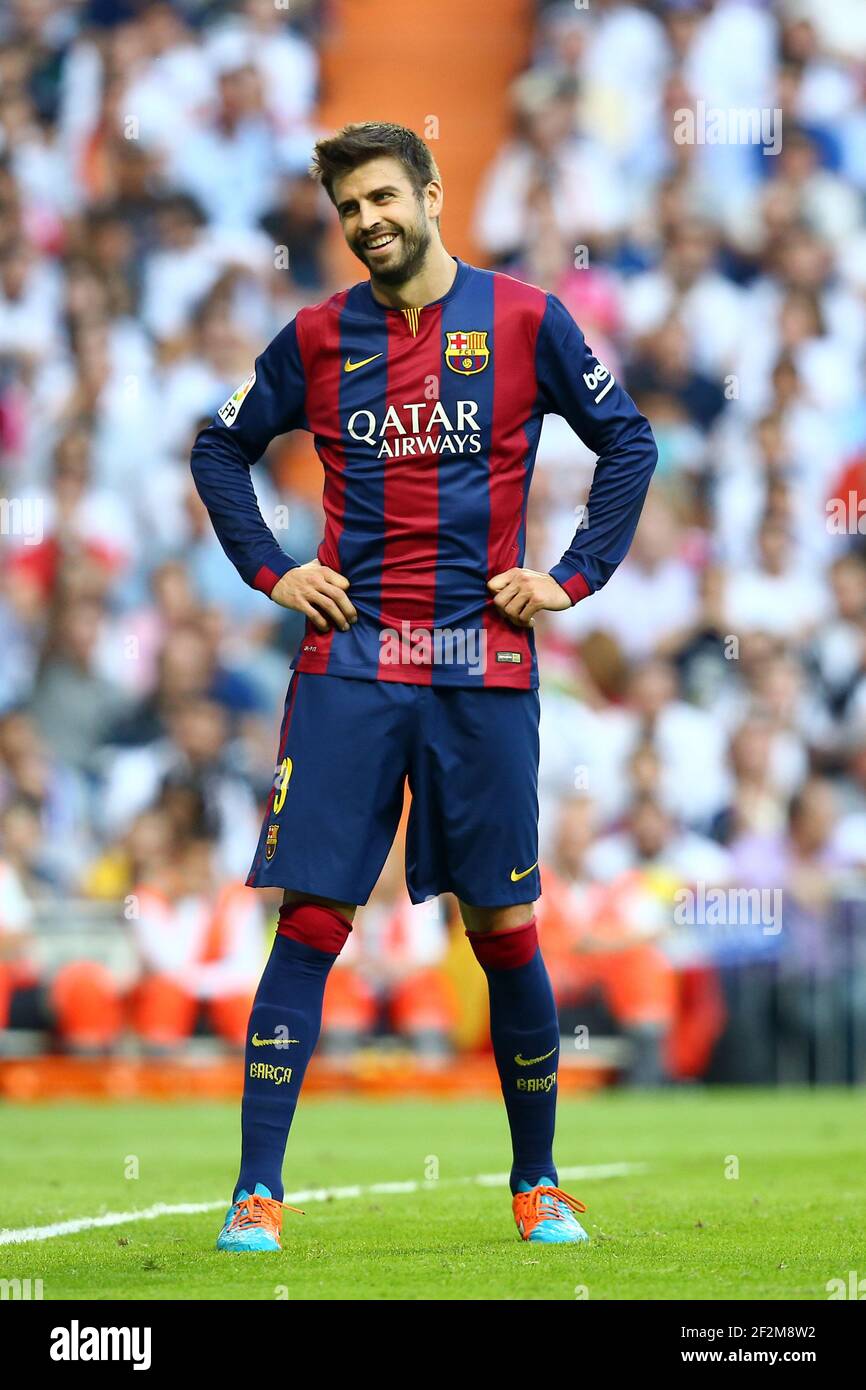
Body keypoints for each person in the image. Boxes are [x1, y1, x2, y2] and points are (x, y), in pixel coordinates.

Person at [190, 121, 657, 1252]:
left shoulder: (524, 318)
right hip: (351, 662)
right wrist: (273, 567)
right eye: (350, 209)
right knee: (309, 922)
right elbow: (219, 448)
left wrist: (572, 577)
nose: (367, 223)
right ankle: (258, 1193)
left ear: (434, 193)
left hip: (481, 664)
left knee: (502, 925)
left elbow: (627, 442)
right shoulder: (313, 336)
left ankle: (536, 1185)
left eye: (384, 198)